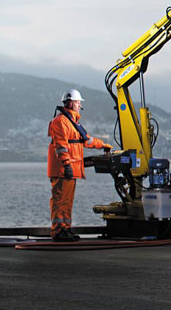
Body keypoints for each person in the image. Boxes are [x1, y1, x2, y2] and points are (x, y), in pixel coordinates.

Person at [47, 89, 112, 242]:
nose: (79, 105)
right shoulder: (61, 122)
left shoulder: (73, 122)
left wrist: (102, 145)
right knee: (60, 201)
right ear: (70, 102)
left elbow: (86, 140)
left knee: (66, 202)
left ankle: (65, 229)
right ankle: (58, 231)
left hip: (71, 168)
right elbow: (61, 147)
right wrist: (66, 165)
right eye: (77, 102)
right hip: (63, 169)